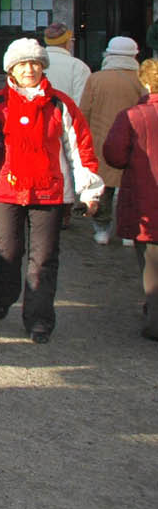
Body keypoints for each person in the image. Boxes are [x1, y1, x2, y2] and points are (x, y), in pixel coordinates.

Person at [0, 38, 103, 343]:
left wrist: (89, 191)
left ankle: (39, 319)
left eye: (35, 63)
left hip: (48, 191)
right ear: (11, 68)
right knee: (6, 251)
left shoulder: (60, 104)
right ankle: (4, 294)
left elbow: (79, 149)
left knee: (44, 258)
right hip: (5, 190)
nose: (30, 69)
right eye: (23, 64)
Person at [102, 58, 158, 341]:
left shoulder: (133, 116)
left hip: (145, 198)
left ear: (145, 82)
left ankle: (155, 320)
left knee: (151, 262)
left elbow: (114, 154)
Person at [79, 36, 145, 245]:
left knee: (103, 188)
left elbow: (84, 112)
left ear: (109, 55)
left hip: (101, 140)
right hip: (134, 142)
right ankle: (130, 231)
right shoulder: (141, 79)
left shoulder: (96, 78)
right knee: (131, 187)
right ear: (134, 55)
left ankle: (102, 230)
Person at [42, 21, 90, 104]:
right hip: (66, 115)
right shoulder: (78, 66)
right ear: (68, 42)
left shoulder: (35, 63)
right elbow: (81, 101)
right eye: (72, 40)